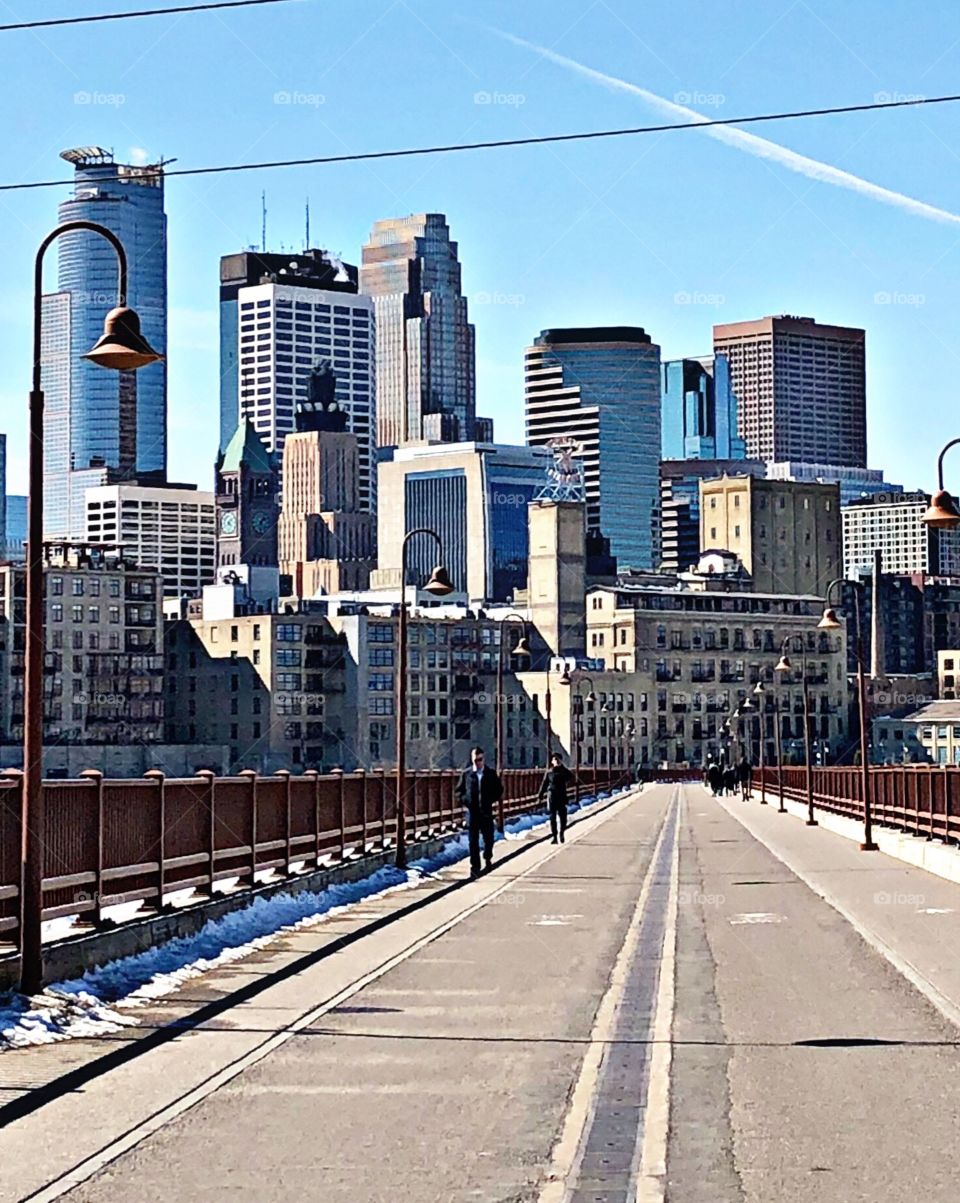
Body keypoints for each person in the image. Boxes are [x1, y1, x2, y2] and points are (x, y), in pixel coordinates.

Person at [457, 746, 503, 878]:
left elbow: (499, 790)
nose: (477, 762)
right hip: (472, 812)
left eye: (480, 759)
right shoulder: (466, 774)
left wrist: (490, 800)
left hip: (486, 811)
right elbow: (458, 792)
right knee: (473, 841)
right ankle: (475, 866)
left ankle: (487, 856)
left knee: (489, 838)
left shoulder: (490, 774)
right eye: (475, 760)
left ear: (483, 759)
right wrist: (466, 800)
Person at [539, 752, 574, 844]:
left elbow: (571, 776)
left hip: (561, 795)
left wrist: (562, 767)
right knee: (552, 817)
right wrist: (540, 794)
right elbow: (544, 783)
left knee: (563, 817)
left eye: (558, 759)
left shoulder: (563, 771)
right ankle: (554, 836)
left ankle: (562, 832)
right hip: (552, 796)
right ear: (552, 761)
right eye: (555, 759)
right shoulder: (549, 772)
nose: (556, 761)